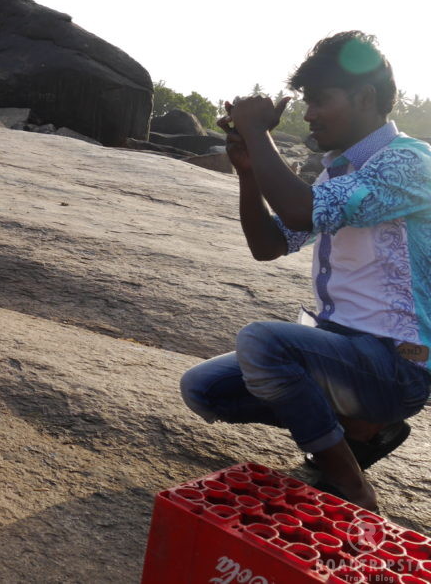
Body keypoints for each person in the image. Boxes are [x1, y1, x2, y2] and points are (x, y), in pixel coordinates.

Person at [179, 32, 431, 511]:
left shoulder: (409, 163)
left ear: (365, 98)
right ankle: (363, 429)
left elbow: (300, 213)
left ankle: (351, 483)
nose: (309, 115)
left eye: (319, 101)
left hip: (396, 364)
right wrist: (249, 171)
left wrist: (258, 130)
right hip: (344, 351)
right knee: (204, 389)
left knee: (262, 341)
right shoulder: (336, 172)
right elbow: (269, 245)